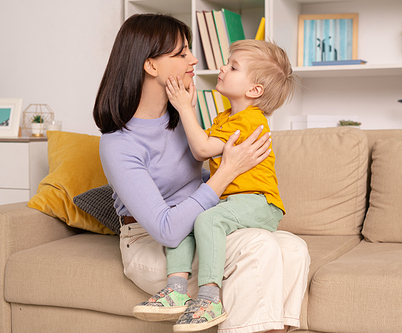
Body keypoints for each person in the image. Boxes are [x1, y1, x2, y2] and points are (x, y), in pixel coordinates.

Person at [93, 13, 310, 333]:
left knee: (293, 247)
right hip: (153, 244)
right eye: (181, 53)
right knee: (259, 247)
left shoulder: (185, 121)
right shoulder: (118, 144)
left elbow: (206, 159)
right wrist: (229, 170)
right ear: (151, 66)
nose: (194, 59)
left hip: (199, 227)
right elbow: (167, 230)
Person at [143, 39, 296, 332]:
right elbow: (204, 143)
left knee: (208, 218)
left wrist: (183, 106)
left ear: (254, 90)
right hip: (236, 202)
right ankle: (176, 287)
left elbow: (201, 149)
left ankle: (209, 297)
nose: (223, 67)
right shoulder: (227, 117)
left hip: (259, 202)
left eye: (234, 66)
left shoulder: (251, 120)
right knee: (186, 215)